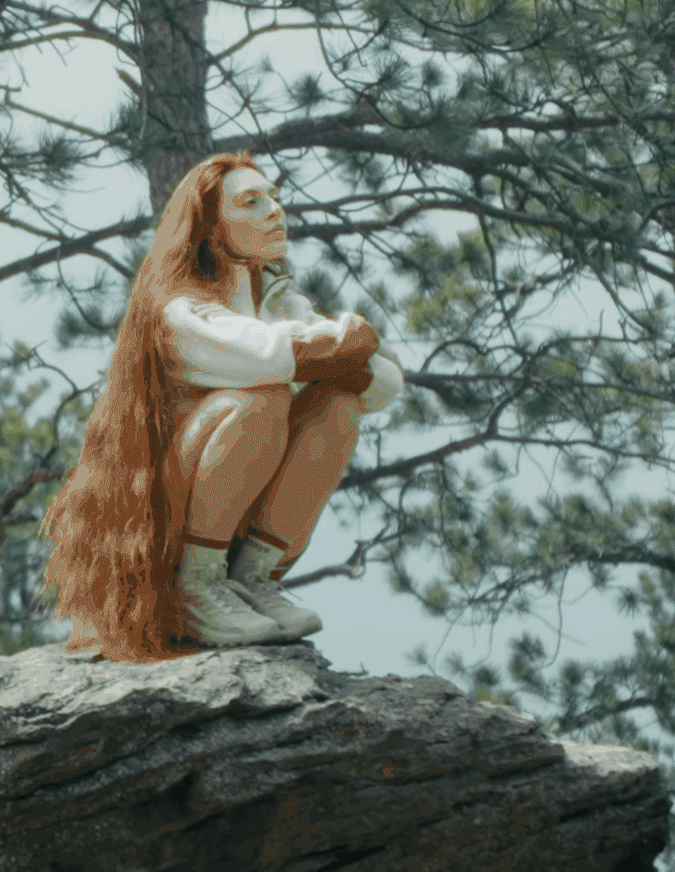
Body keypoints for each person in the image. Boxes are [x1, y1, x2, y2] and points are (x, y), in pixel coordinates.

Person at [43, 153, 405, 660]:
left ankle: (250, 577)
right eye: (251, 202)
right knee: (260, 401)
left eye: (274, 197)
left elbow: (382, 384)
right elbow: (261, 354)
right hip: (163, 524)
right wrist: (346, 340)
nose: (275, 211)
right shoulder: (177, 304)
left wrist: (345, 349)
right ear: (211, 227)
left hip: (227, 501)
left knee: (339, 406)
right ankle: (197, 586)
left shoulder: (273, 295)